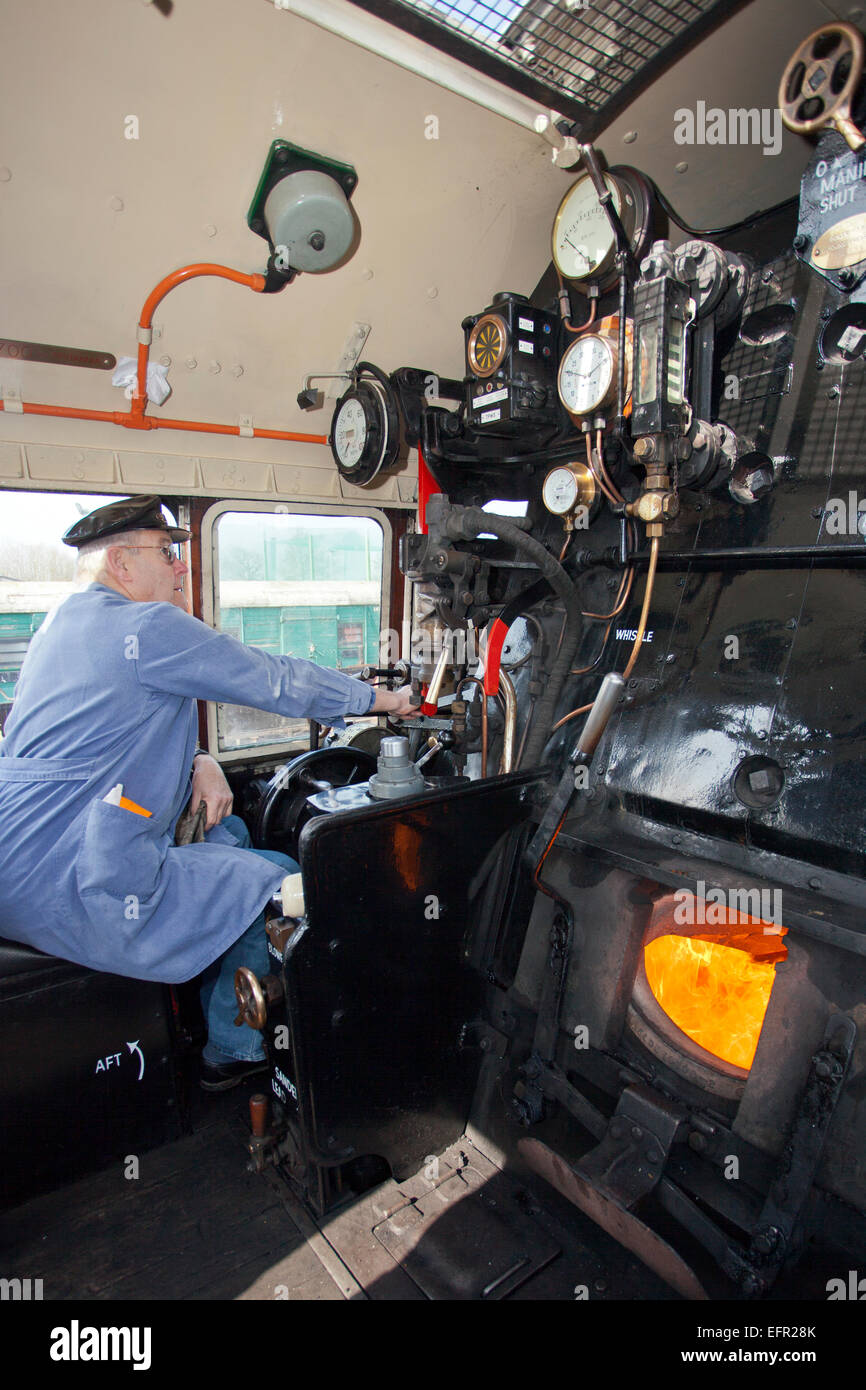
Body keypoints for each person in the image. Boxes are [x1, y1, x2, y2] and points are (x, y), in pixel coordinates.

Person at [0, 495, 416, 1089]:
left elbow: (93, 732)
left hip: (18, 860)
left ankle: (207, 984)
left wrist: (200, 759)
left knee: (234, 834)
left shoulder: (57, 627)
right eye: (168, 553)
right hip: (71, 879)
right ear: (121, 562)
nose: (179, 568)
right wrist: (380, 700)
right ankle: (235, 1046)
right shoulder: (147, 625)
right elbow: (270, 677)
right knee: (279, 883)